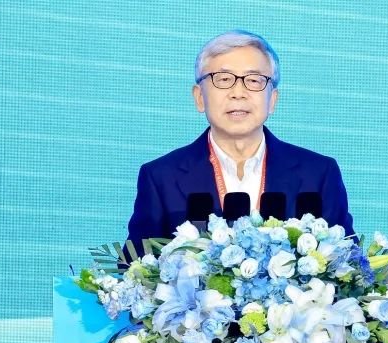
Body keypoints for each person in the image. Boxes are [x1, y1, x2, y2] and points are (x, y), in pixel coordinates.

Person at [125, 30, 354, 255]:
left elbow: (347, 264)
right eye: (223, 79)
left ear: (272, 100)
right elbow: (134, 268)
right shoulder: (160, 177)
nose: (238, 92)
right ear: (199, 97)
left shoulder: (319, 174)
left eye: (253, 80)